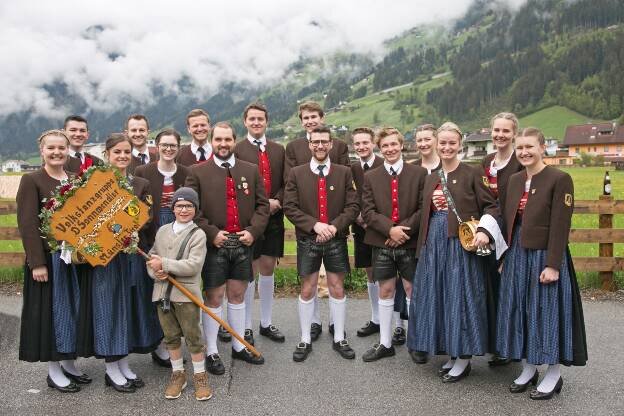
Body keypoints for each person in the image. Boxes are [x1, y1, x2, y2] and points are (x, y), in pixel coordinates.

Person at [407, 122, 506, 383]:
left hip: (460, 246)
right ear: (437, 145)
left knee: (460, 298)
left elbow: (492, 207)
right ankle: (451, 351)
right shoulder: (430, 177)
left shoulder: (472, 173)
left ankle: (463, 358)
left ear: (460, 145)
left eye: (452, 143)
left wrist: (484, 231)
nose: (447, 147)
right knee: (439, 297)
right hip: (434, 246)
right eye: (443, 143)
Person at [496, 127, 587, 400]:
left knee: (546, 313)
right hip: (516, 256)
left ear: (542, 147)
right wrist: (504, 257)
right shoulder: (513, 180)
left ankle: (553, 373)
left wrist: (553, 265)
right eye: (520, 147)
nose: (524, 152)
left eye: (529, 147)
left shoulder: (560, 178)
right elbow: (506, 221)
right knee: (520, 311)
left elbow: (561, 225)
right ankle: (528, 368)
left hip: (544, 255)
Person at [186, 122, 269, 375]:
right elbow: (193, 212)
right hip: (215, 245)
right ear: (212, 141)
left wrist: (253, 232)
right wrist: (212, 233)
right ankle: (211, 350)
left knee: (237, 296)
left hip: (242, 243)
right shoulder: (197, 172)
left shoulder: (251, 170)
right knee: (213, 297)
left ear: (235, 141)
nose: (223, 144)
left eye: (228, 140)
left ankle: (238, 346)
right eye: (218, 140)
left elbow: (262, 206)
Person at [17, 129, 90, 393]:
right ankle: (53, 370)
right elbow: (27, 223)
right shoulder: (32, 180)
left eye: (61, 147)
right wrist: (37, 262)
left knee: (73, 311)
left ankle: (69, 363)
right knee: (51, 314)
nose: (57, 152)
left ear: (68, 149)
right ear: (42, 151)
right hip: (48, 259)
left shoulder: (75, 179)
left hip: (74, 259)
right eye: (51, 148)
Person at [92, 133, 162, 393]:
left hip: (132, 253)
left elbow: (147, 216)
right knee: (110, 307)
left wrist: (124, 228)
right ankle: (111, 368)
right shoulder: (96, 183)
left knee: (128, 307)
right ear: (107, 155)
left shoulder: (140, 183)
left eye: (126, 152)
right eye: (116, 152)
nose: (122, 156)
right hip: (106, 259)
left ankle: (123, 363)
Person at [283, 125, 359, 362]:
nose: (319, 146)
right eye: (315, 142)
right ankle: (305, 338)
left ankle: (339, 337)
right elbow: (290, 207)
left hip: (336, 238)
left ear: (331, 144)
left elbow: (353, 206)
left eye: (324, 142)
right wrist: (315, 225)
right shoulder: (297, 173)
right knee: (308, 288)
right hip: (308, 239)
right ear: (309, 145)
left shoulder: (343, 172)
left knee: (337, 287)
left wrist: (334, 226)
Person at [360, 127, 427, 364]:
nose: (390, 149)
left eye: (393, 144)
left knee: (411, 290)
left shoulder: (419, 174)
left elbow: (423, 208)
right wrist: (390, 229)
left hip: (409, 242)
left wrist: (403, 232)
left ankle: (415, 342)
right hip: (382, 242)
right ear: (380, 148)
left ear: (402, 145)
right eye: (385, 146)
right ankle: (386, 343)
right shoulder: (370, 177)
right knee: (385, 290)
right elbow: (367, 211)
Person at [146, 187, 212, 401]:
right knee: (171, 336)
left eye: (189, 206)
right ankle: (178, 375)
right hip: (162, 293)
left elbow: (193, 265)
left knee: (193, 336)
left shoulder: (198, 234)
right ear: (173, 208)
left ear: (195, 209)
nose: (184, 210)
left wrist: (164, 264)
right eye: (180, 205)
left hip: (186, 295)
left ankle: (200, 376)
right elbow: (152, 257)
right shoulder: (163, 230)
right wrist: (156, 271)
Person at [134, 128, 190, 367]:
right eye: (164, 145)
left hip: (178, 232)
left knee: (175, 289)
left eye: (173, 145)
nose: (168, 149)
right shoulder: (143, 171)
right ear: (156, 147)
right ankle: (158, 343)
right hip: (152, 232)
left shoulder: (186, 173)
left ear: (178, 147)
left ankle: (174, 343)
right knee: (156, 289)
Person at [234, 103, 286, 345]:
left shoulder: (278, 150)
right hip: (250, 219)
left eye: (260, 119)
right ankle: (245, 327)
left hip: (274, 216)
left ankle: (266, 323)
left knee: (268, 267)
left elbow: (289, 182)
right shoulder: (237, 149)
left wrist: (278, 200)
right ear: (245, 122)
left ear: (267, 122)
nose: (256, 123)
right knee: (249, 270)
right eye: (252, 119)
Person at [480, 112, 524, 366]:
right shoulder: (487, 161)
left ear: (514, 134)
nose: (500, 135)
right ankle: (499, 346)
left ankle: (514, 346)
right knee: (493, 291)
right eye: (496, 130)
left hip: (513, 234)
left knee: (512, 293)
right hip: (489, 233)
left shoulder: (520, 161)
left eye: (506, 131)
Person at [350, 127, 384, 338]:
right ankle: (376, 318)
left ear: (373, 144)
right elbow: (348, 196)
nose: (362, 147)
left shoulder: (383, 164)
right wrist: (357, 216)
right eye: (357, 144)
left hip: (381, 227)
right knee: (370, 273)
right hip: (360, 227)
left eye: (365, 143)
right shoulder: (351, 169)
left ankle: (396, 322)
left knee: (388, 274)